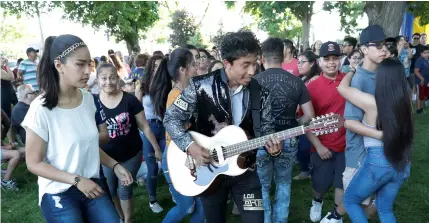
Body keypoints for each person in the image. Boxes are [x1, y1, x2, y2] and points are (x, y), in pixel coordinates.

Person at [164, 31, 282, 223]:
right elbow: (171, 119)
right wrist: (191, 147)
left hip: (246, 172)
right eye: (245, 65)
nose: (253, 71)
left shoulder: (261, 93)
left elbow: (267, 131)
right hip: (208, 171)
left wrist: (275, 150)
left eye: (255, 63)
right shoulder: (199, 86)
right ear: (227, 63)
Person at [21, 34, 133, 223]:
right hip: (59, 193)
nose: (87, 71)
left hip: (92, 183)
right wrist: (77, 180)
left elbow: (87, 145)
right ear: (59, 66)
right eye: (80, 64)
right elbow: (33, 163)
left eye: (89, 64)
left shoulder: (88, 99)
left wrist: (114, 165)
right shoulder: (41, 108)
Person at [339, 58, 412, 223]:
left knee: (350, 201)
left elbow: (342, 88)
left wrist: (352, 70)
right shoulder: (406, 103)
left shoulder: (372, 102)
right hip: (401, 161)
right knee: (385, 210)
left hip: (379, 160)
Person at [255, 37, 315, 223]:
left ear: (262, 57)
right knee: (283, 183)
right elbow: (309, 115)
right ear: (283, 56)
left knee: (262, 186)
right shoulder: (297, 82)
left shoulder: (254, 82)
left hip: (260, 141)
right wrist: (294, 126)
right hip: (289, 138)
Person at [96, 63, 161, 222]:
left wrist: (156, 148)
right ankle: (120, 217)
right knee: (110, 191)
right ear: (97, 80)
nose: (108, 82)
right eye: (104, 78)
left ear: (118, 78)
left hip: (131, 154)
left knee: (124, 188)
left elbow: (145, 126)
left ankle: (128, 220)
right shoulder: (93, 104)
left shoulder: (130, 100)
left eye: (112, 77)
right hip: (106, 157)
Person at [149, 48, 205, 222]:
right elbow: (179, 127)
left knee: (201, 205)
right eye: (194, 64)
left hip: (190, 154)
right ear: (183, 69)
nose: (198, 67)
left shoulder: (189, 91)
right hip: (176, 157)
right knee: (187, 206)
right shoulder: (176, 95)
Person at [342, 24, 387, 222]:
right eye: (377, 45)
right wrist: (382, 135)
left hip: (382, 153)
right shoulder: (359, 80)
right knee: (360, 207)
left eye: (384, 44)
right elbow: (350, 122)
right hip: (360, 155)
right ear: (363, 49)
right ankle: (334, 215)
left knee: (378, 205)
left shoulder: (384, 74)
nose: (383, 49)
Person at [304, 42, 346, 223]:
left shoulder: (349, 81)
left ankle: (336, 215)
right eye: (327, 59)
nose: (331, 63)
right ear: (319, 62)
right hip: (322, 146)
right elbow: (305, 122)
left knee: (341, 182)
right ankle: (317, 202)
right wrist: (318, 145)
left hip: (347, 144)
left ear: (340, 60)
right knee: (319, 184)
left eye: (335, 58)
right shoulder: (311, 87)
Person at [135, 54, 166, 213]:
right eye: (154, 66)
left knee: (168, 163)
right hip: (149, 127)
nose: (157, 70)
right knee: (152, 167)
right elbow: (135, 108)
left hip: (165, 127)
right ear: (149, 67)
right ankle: (152, 200)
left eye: (160, 67)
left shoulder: (167, 84)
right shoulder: (142, 84)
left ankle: (176, 193)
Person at [294, 50, 321, 181]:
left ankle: (307, 172)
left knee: (304, 146)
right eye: (298, 62)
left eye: (302, 62)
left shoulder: (315, 79)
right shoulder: (304, 79)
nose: (299, 65)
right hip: (303, 116)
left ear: (312, 64)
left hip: (311, 119)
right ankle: (306, 170)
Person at [414, 45, 429, 114]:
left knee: (423, 96)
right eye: (425, 53)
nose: (427, 54)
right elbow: (416, 71)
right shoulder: (420, 60)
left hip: (426, 81)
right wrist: (422, 79)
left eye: (428, 52)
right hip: (420, 82)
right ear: (421, 53)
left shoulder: (427, 59)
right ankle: (418, 109)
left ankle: (422, 108)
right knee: (419, 96)